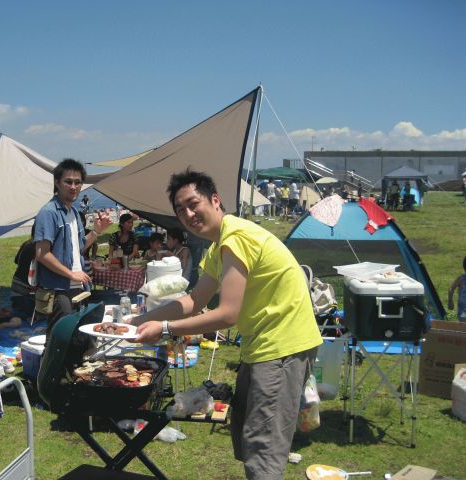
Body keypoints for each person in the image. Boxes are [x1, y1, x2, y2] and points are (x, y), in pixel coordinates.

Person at [129, 168, 322, 479]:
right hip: (262, 344)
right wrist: (139, 319)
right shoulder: (218, 246)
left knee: (263, 447)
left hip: (282, 346)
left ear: (215, 200)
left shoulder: (235, 238)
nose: (188, 214)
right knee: (247, 431)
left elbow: (228, 314)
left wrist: (164, 330)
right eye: (180, 210)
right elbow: (195, 300)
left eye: (193, 204)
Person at [33, 158, 109, 338]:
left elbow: (79, 247)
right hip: (59, 290)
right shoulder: (49, 212)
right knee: (59, 341)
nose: (73, 187)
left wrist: (97, 231)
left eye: (78, 182)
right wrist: (71, 274)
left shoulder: (74, 212)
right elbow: (42, 253)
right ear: (57, 182)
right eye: (68, 182)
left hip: (78, 288)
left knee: (76, 340)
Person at [10, 225, 37, 319]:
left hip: (17, 284)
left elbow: (16, 261)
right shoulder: (37, 247)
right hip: (25, 288)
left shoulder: (26, 243)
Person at [448, 256, 466, 322]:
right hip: (464, 309)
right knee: (464, 325)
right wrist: (450, 301)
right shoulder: (461, 279)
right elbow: (451, 288)